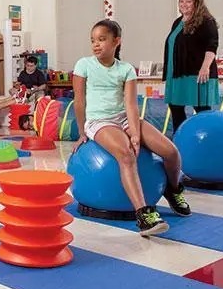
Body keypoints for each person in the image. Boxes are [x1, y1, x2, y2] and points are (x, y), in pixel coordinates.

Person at [72, 19, 191, 237]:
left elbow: (130, 104)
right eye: (93, 40)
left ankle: (173, 190)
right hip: (99, 121)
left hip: (124, 118)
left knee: (171, 152)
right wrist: (82, 132)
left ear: (116, 41)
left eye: (102, 39)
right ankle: (144, 215)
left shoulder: (126, 69)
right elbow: (79, 101)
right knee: (126, 154)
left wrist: (135, 133)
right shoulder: (84, 65)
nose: (96, 44)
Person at [163, 0, 220, 133]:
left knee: (201, 108)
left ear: (197, 2)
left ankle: (206, 139)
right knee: (175, 107)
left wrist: (205, 67)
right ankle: (180, 139)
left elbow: (212, 45)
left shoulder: (207, 21)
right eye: (181, 1)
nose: (184, 4)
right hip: (176, 73)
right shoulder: (177, 22)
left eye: (188, 1)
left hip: (196, 72)